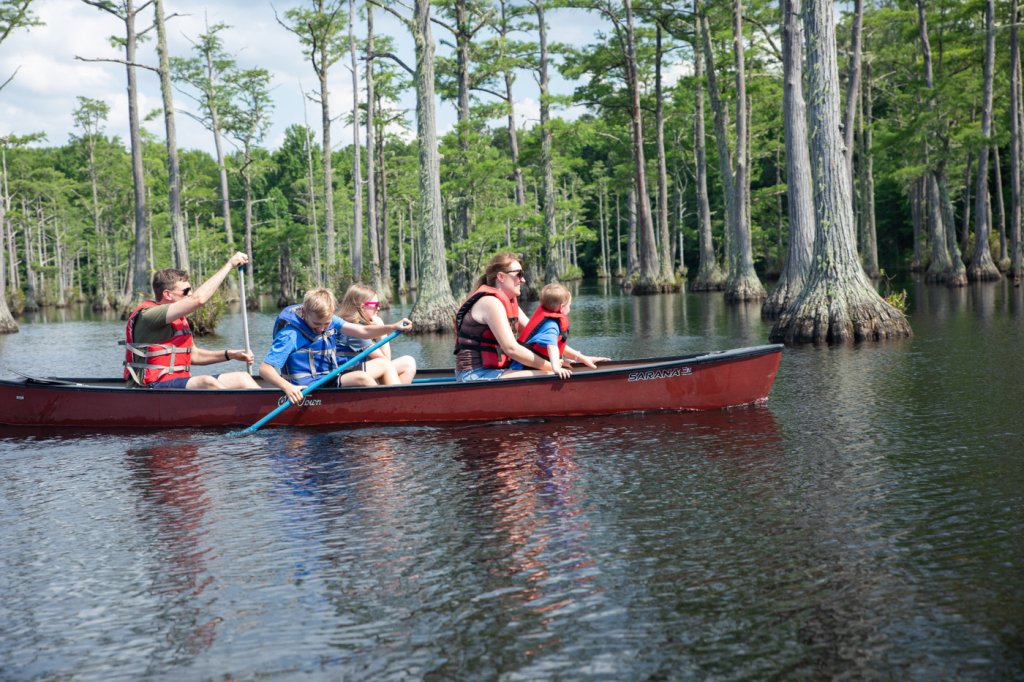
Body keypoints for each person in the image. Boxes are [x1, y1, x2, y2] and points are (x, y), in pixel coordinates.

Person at [124, 252, 260, 389]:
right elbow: (198, 299)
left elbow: (195, 355)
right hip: (152, 386)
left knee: (242, 377)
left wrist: (231, 354)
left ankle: (264, 403)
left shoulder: (178, 318)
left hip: (179, 382)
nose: (190, 294)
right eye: (186, 291)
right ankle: (234, 403)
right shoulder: (148, 315)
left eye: (190, 290)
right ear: (167, 294)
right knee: (206, 382)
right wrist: (229, 265)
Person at [259, 287, 412, 405]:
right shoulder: (289, 335)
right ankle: (387, 408)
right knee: (362, 377)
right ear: (304, 312)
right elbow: (265, 369)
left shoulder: (333, 320)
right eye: (316, 324)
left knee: (384, 365)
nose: (321, 329)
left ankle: (397, 405)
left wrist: (393, 327)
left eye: (326, 324)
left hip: (329, 377)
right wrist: (287, 387)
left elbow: (363, 331)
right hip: (308, 387)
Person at [454, 252, 552, 381]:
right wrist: (551, 367)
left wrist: (575, 357)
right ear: (501, 276)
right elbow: (511, 349)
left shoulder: (509, 304)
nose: (523, 280)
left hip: (496, 371)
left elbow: (542, 335)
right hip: (473, 374)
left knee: (552, 371)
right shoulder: (490, 303)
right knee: (550, 374)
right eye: (519, 274)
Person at [509, 282, 609, 379]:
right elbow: (552, 347)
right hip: (521, 368)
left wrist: (580, 358)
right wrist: (556, 368)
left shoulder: (549, 320)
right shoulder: (551, 326)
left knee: (567, 363)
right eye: (569, 305)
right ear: (561, 307)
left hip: (529, 365)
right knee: (557, 368)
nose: (569, 308)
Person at [337, 284, 417, 384]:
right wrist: (382, 330)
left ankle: (394, 392)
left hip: (358, 368)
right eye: (375, 305)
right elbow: (385, 360)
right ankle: (396, 393)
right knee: (384, 364)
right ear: (362, 307)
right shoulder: (354, 328)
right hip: (346, 373)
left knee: (408, 363)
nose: (378, 308)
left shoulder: (357, 324)